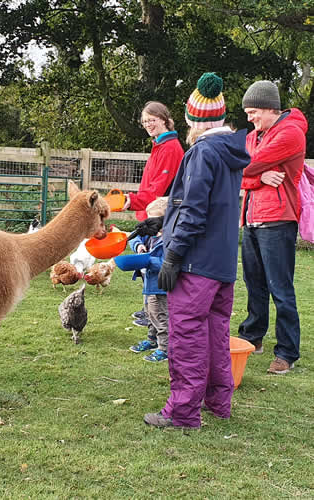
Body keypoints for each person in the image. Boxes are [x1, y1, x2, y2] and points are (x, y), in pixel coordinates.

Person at [142, 72, 250, 429]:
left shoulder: (202, 152)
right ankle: (219, 402)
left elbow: (194, 209)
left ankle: (182, 411)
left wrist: (173, 254)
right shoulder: (230, 151)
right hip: (221, 263)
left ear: (192, 119)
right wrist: (161, 223)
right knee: (215, 333)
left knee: (186, 333)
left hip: (196, 262)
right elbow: (208, 205)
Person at [237, 81, 308, 375]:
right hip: (251, 217)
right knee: (254, 283)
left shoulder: (290, 133)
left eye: (253, 112)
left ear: (270, 108)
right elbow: (240, 171)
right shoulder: (256, 134)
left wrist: (251, 171)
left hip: (278, 218)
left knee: (280, 287)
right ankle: (254, 335)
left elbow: (243, 162)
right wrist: (259, 178)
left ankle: (288, 351)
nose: (249, 118)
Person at [122, 101, 184, 325]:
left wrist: (132, 201)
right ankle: (149, 309)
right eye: (145, 121)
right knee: (148, 261)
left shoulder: (170, 148)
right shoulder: (159, 145)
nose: (148, 124)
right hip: (150, 213)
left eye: (152, 119)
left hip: (160, 216)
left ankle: (156, 315)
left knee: (156, 263)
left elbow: (158, 189)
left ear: (165, 120)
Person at [128, 197, 169, 362]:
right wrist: (138, 246)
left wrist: (147, 260)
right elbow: (134, 239)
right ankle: (152, 340)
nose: (150, 222)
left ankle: (164, 348)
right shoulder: (150, 235)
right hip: (148, 283)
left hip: (161, 285)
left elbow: (167, 264)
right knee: (149, 313)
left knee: (161, 316)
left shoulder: (169, 240)